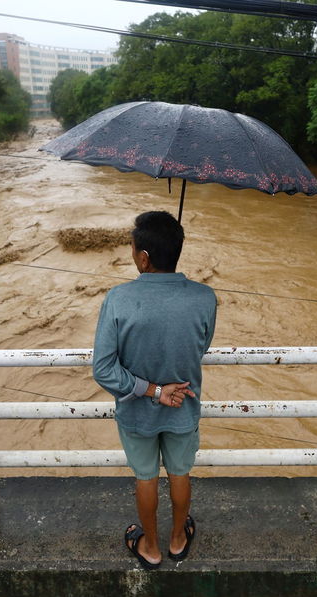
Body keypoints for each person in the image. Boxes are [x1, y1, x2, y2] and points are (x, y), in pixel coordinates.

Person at [93, 211, 217, 570]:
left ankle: (150, 547)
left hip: (137, 411)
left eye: (133, 250)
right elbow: (201, 345)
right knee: (180, 473)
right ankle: (178, 539)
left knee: (146, 478)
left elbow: (103, 369)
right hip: (184, 406)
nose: (133, 255)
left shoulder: (118, 299)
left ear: (144, 257)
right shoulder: (205, 297)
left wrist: (151, 389)